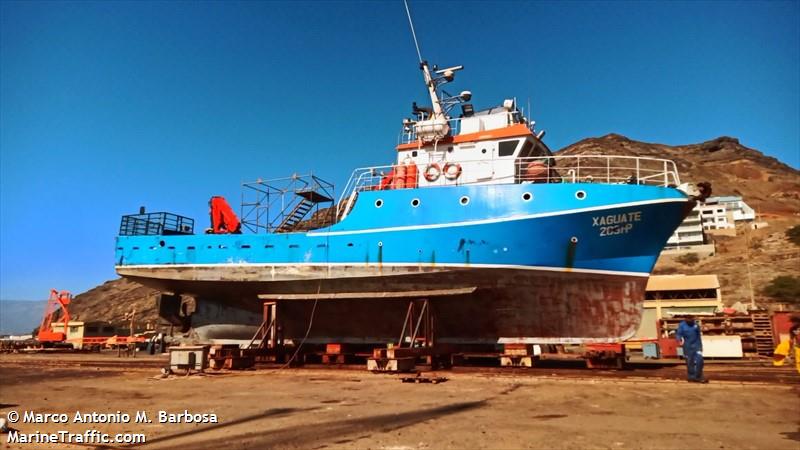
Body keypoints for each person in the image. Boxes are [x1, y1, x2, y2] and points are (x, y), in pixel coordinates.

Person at [676, 315, 708, 383]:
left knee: (700, 361)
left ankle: (698, 376)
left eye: (691, 318)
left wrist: (700, 347)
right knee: (689, 362)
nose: (690, 320)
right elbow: (678, 334)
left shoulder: (696, 325)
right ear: (686, 318)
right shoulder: (682, 325)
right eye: (688, 318)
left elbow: (699, 337)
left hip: (696, 346)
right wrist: (679, 340)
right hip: (687, 347)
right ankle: (691, 377)